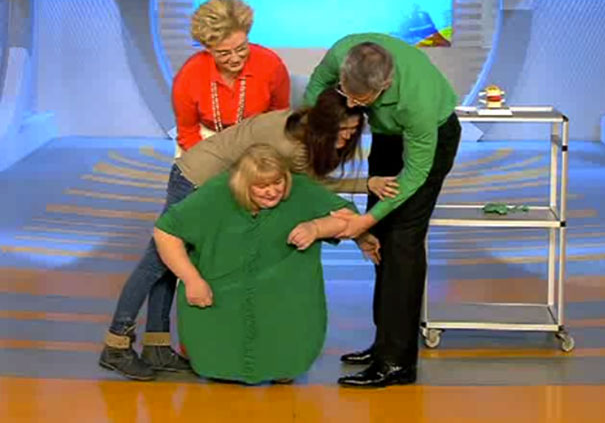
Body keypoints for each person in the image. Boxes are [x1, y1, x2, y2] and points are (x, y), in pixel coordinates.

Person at [99, 89, 368, 381]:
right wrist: (365, 197)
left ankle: (157, 346)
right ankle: (117, 344)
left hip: (204, 172)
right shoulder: (292, 148)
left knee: (166, 268)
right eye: (342, 130)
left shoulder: (295, 121)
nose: (347, 138)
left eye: (353, 130)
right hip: (197, 180)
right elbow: (312, 192)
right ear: (324, 124)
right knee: (157, 262)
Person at [303, 33, 461, 387]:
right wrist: (316, 128)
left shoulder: (416, 101)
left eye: (361, 100)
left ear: (384, 86)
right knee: (381, 241)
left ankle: (397, 362)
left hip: (432, 140)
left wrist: (365, 220)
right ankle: (383, 343)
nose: (351, 104)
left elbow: (415, 173)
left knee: (402, 240)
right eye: (346, 93)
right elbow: (315, 89)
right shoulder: (340, 52)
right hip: (387, 136)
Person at [154, 144, 380, 384]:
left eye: (277, 183)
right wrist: (192, 280)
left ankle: (280, 366)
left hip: (284, 296)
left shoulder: (302, 190)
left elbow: (348, 218)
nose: (272, 192)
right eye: (261, 186)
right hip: (221, 295)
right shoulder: (216, 194)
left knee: (284, 337)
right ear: (243, 184)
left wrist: (316, 228)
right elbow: (166, 232)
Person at [173, 0, 290, 153]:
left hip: (257, 138)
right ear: (208, 49)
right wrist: (207, 159)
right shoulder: (189, 75)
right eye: (224, 53)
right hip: (205, 140)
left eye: (241, 48)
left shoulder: (271, 65)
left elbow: (279, 118)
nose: (235, 59)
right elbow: (188, 132)